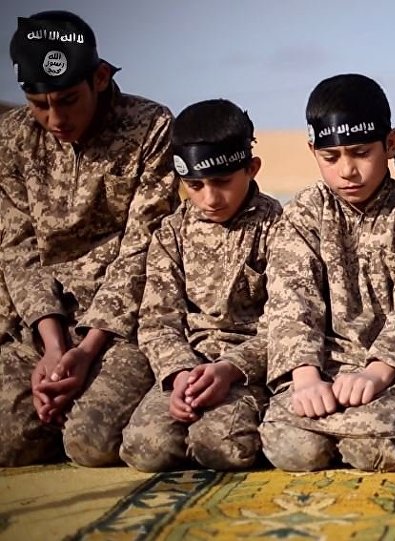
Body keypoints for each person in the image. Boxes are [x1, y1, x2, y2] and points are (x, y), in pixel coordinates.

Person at [0, 10, 178, 466]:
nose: (55, 118)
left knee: (90, 443)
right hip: (40, 325)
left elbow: (144, 247)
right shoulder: (13, 137)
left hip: (119, 328)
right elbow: (17, 249)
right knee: (9, 441)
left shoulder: (150, 127)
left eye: (67, 100)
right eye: (39, 104)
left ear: (100, 78)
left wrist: (87, 348)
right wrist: (53, 346)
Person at [259, 73, 395, 472]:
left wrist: (376, 374)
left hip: (390, 374)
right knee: (293, 450)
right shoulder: (302, 214)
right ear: (313, 150)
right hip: (317, 369)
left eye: (361, 153)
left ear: (390, 143)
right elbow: (291, 302)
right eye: (331, 157)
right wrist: (306, 378)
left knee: (377, 451)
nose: (347, 170)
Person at [119, 100, 281, 472]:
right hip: (189, 367)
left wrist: (231, 369)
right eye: (194, 185)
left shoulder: (279, 227)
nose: (209, 198)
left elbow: (286, 323)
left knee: (222, 449)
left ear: (251, 168)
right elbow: (157, 321)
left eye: (222, 182)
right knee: (145, 449)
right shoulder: (172, 233)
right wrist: (180, 375)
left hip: (247, 370)